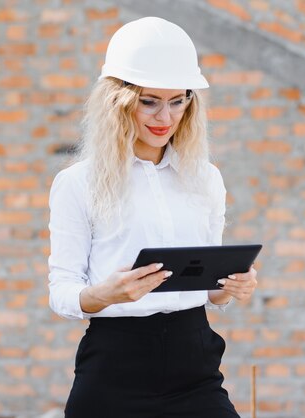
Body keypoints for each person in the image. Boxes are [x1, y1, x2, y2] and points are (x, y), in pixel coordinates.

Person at [47, 16, 258, 417]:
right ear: (117, 101)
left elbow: (207, 287)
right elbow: (61, 290)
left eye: (178, 101)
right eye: (150, 101)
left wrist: (230, 286)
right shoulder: (77, 183)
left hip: (193, 359)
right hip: (114, 364)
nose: (166, 117)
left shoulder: (205, 179)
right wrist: (106, 293)